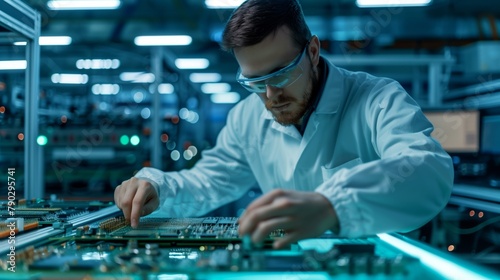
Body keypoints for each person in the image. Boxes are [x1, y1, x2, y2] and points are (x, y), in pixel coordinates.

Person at [114, 0, 453, 249]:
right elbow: (208, 182)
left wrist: (334, 205)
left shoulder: (377, 99)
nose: (270, 95)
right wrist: (157, 187)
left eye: (282, 74)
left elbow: (426, 170)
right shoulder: (247, 116)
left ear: (314, 51)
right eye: (255, 83)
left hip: (369, 265)